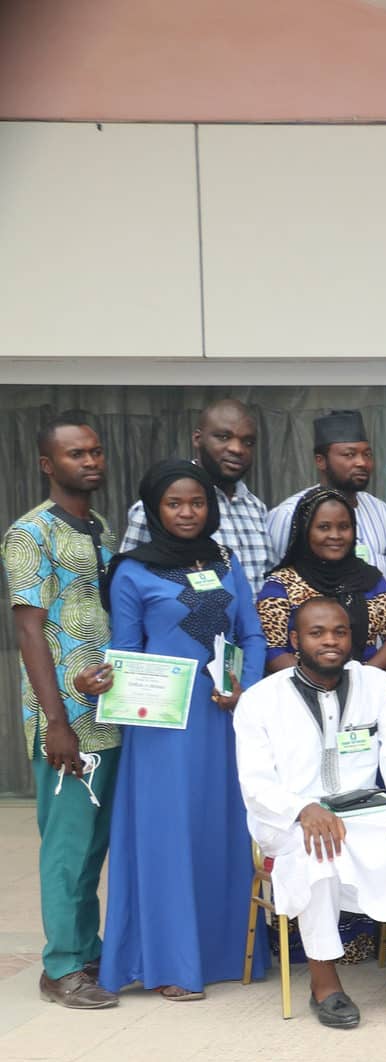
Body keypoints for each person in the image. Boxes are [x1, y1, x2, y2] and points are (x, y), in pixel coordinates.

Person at [94, 461, 267, 1000]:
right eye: (174, 503)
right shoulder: (131, 571)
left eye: (196, 502)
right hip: (162, 727)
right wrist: (106, 682)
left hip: (223, 718)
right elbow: (125, 652)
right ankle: (169, 963)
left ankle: (220, 954)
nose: (187, 512)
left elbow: (252, 634)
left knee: (220, 830)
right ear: (153, 510)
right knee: (168, 837)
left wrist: (244, 689)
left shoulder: (226, 560)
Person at [232, 597, 386, 1029]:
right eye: (317, 633)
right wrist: (302, 808)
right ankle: (324, 981)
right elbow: (255, 783)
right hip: (289, 815)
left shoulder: (376, 684)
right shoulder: (260, 700)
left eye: (340, 632)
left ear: (353, 638)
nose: (330, 641)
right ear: (295, 640)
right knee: (317, 846)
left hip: (364, 807)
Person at [4, 415, 123, 1008]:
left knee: (96, 845)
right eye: (76, 454)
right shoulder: (30, 536)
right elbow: (30, 634)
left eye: (96, 451)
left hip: (111, 717)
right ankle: (62, 967)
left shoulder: (100, 527)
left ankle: (89, 950)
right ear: (49, 464)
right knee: (67, 848)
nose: (91, 462)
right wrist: (56, 722)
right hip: (67, 724)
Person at [118, 398, 270, 591]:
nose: (237, 449)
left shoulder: (256, 509)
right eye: (223, 437)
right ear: (197, 439)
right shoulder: (157, 508)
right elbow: (127, 585)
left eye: (247, 442)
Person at [256, 489, 386, 673]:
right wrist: (316, 684)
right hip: (298, 692)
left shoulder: (370, 578)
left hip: (363, 689)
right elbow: (272, 649)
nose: (335, 535)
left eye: (344, 527)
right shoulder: (280, 584)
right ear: (306, 530)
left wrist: (361, 681)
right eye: (324, 527)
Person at [265, 410, 386, 568]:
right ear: (321, 461)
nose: (362, 462)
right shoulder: (289, 514)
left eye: (367, 454)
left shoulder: (381, 510)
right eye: (349, 454)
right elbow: (277, 577)